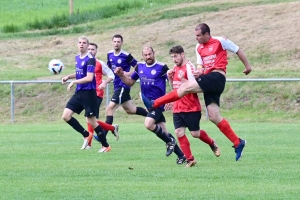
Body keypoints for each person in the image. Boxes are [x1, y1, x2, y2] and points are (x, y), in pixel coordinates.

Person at [142, 23, 252, 161]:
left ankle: (154, 104)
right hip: (208, 79)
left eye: (199, 35)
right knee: (213, 116)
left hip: (217, 77)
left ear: (207, 34)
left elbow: (238, 50)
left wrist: (248, 67)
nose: (196, 38)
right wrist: (199, 72)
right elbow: (200, 66)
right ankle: (238, 142)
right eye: (195, 35)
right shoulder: (198, 47)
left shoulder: (220, 41)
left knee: (184, 88)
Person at [114, 46, 187, 164]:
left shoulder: (162, 67)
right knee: (165, 132)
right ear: (143, 56)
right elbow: (129, 82)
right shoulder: (139, 67)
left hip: (158, 103)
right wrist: (122, 75)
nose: (148, 57)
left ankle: (170, 142)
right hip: (148, 104)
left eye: (150, 54)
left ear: (154, 53)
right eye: (146, 55)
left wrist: (170, 99)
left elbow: (173, 84)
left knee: (148, 124)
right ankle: (181, 155)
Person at [167, 45, 220, 168]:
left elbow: (194, 87)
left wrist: (184, 79)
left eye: (175, 56)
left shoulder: (190, 68)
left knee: (195, 134)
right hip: (178, 107)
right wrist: (170, 79)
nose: (174, 59)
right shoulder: (175, 68)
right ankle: (190, 159)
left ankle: (212, 143)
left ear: (182, 54)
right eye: (172, 57)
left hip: (191, 107)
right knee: (178, 132)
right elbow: (174, 88)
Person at [61, 36, 110, 153]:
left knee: (92, 122)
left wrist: (74, 82)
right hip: (79, 93)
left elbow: (89, 77)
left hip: (89, 94)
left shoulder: (90, 59)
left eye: (84, 43)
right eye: (79, 42)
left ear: (88, 46)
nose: (81, 44)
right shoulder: (77, 57)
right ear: (77, 44)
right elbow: (79, 73)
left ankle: (106, 146)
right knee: (66, 116)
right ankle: (86, 134)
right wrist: (69, 76)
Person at [103, 34, 148, 135]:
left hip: (123, 86)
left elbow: (138, 67)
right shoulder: (109, 54)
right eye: (114, 41)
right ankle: (152, 114)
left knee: (109, 108)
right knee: (130, 110)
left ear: (122, 43)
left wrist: (127, 74)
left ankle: (103, 136)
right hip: (116, 85)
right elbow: (109, 68)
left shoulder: (126, 55)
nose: (116, 43)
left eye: (118, 42)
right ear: (112, 42)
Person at [86, 42, 119, 149]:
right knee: (90, 119)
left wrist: (104, 83)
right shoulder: (83, 62)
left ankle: (89, 144)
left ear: (96, 51)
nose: (90, 51)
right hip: (85, 93)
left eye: (93, 49)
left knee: (90, 118)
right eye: (89, 49)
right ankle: (112, 128)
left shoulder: (99, 63)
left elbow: (111, 74)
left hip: (97, 93)